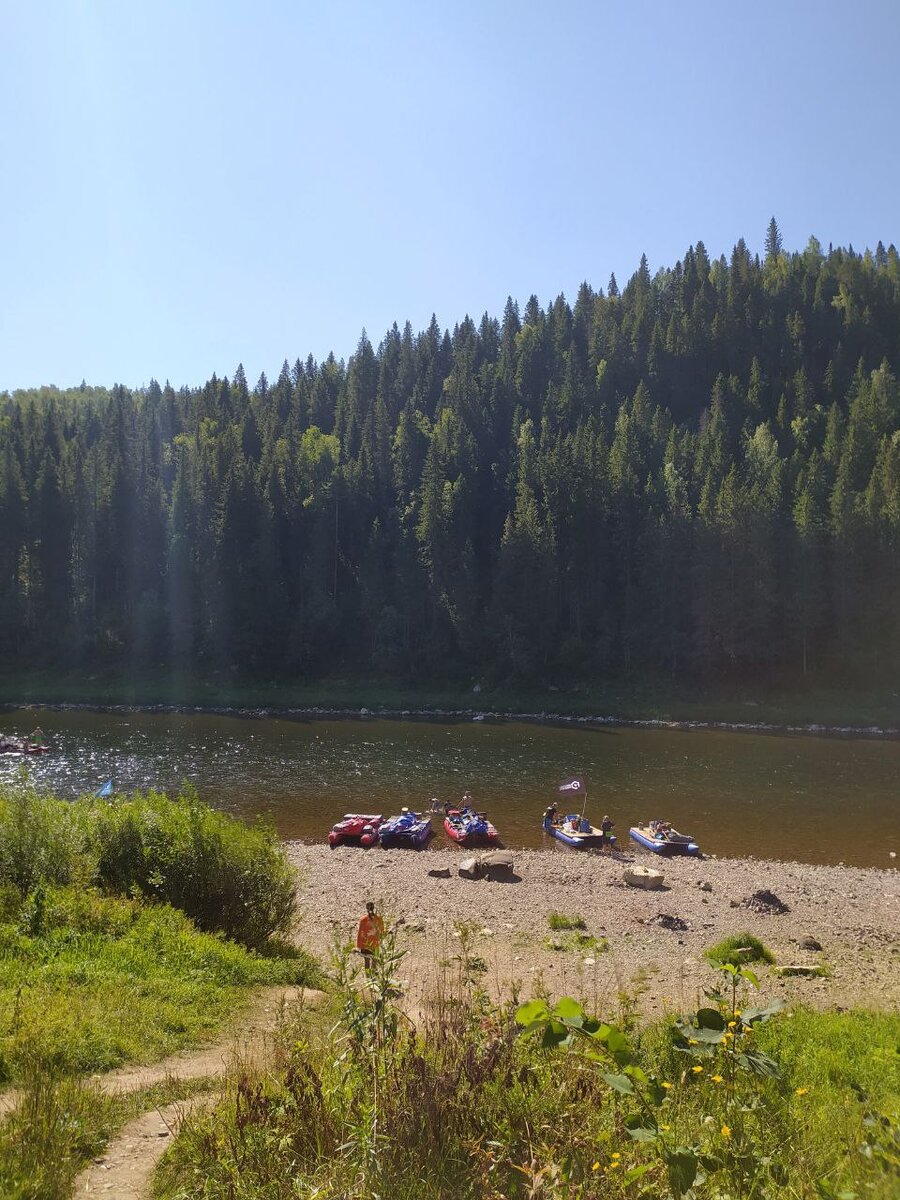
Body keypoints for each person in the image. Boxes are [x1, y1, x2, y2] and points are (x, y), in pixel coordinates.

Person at [356, 901, 384, 972]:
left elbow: (360, 934)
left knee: (367, 962)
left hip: (366, 944)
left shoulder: (363, 920)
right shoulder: (379, 919)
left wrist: (359, 945)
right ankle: (373, 978)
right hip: (375, 944)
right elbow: (382, 932)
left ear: (366, 909)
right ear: (373, 908)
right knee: (374, 961)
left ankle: (368, 979)